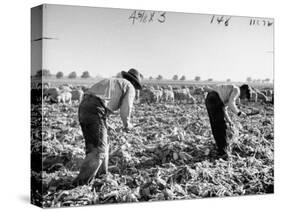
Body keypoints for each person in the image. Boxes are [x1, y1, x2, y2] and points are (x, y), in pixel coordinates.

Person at [72, 68, 143, 186]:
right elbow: (126, 108)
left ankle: (102, 175)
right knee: (98, 150)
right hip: (95, 109)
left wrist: (106, 124)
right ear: (135, 83)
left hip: (85, 106)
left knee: (104, 142)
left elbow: (97, 101)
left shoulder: (115, 82)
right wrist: (127, 125)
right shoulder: (129, 86)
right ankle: (79, 184)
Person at [205, 84, 251, 158]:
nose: (243, 98)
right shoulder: (237, 90)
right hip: (215, 98)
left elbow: (223, 108)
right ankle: (223, 152)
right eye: (245, 96)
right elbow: (231, 103)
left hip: (209, 99)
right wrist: (239, 113)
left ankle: (220, 149)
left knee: (215, 125)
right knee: (221, 127)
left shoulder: (229, 92)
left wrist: (229, 121)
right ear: (244, 91)